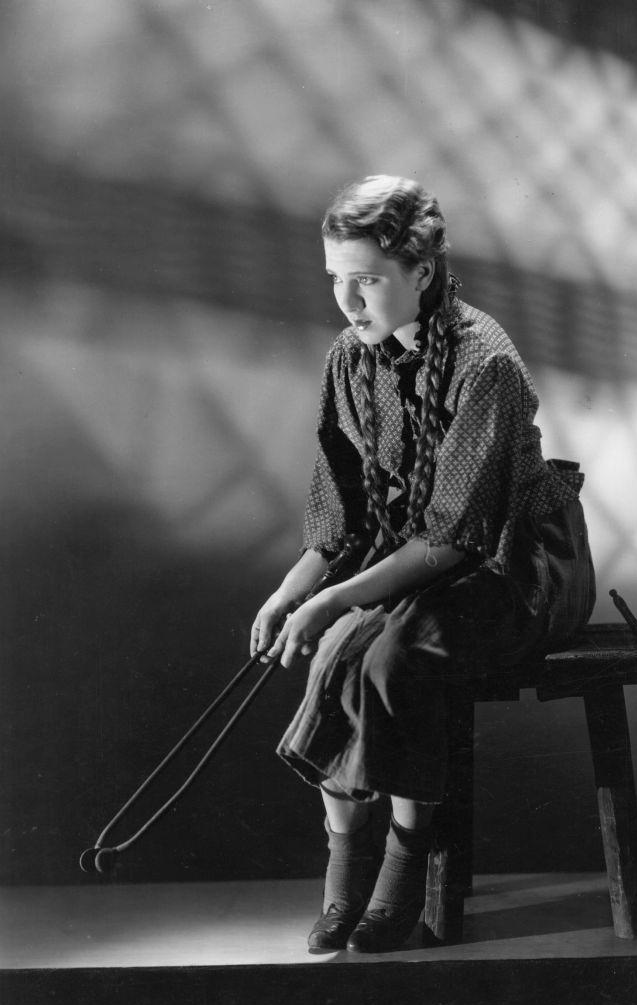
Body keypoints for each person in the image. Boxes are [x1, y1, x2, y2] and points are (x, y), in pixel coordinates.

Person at [250, 175, 596, 955]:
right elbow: (337, 513)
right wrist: (293, 592)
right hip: (417, 561)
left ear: (423, 273)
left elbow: (455, 537)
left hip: (517, 565)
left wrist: (334, 603)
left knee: (396, 657)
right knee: (338, 652)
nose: (348, 302)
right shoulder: (350, 357)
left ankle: (402, 871)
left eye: (367, 280)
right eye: (337, 280)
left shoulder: (485, 362)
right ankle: (345, 865)